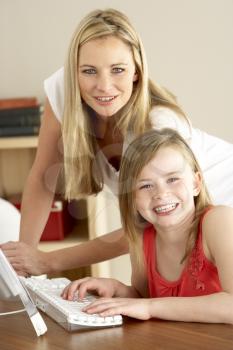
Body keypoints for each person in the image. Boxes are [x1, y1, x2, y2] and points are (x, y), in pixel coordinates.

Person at [1, 8, 233, 277]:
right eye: (89, 71)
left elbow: (144, 223)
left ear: (137, 70)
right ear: (74, 73)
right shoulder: (64, 89)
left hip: (221, 212)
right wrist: (23, 263)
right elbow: (43, 176)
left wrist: (48, 262)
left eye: (118, 70)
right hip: (173, 228)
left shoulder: (158, 126)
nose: (104, 86)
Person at [61, 128, 233, 324]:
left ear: (196, 183)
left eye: (172, 179)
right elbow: (145, 300)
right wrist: (119, 290)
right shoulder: (142, 238)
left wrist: (148, 307)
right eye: (146, 185)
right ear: (132, 198)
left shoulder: (220, 221)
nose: (161, 194)